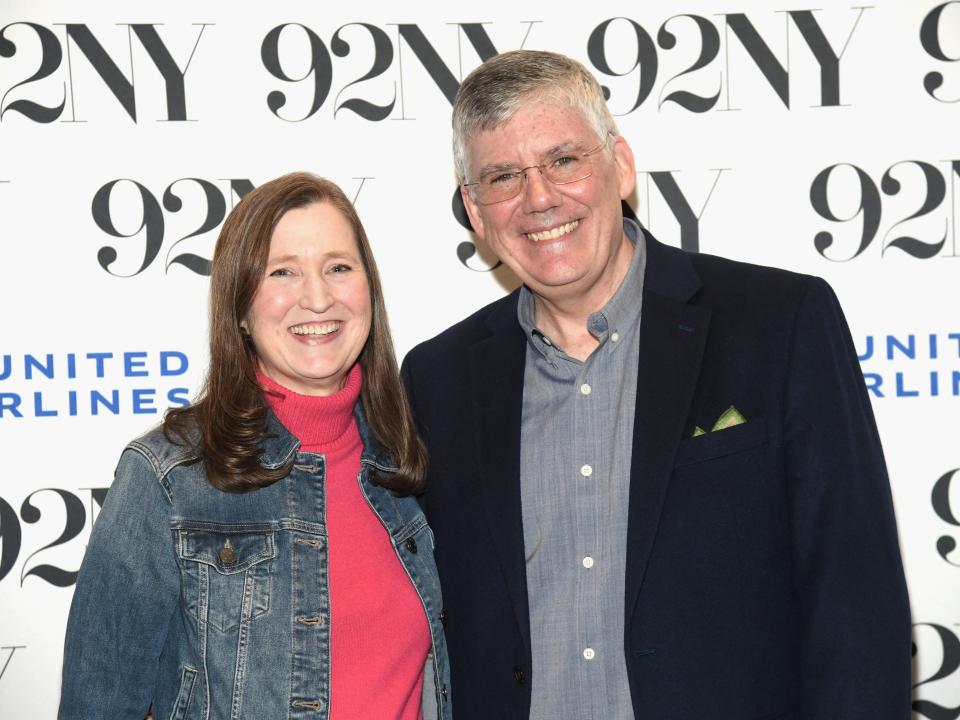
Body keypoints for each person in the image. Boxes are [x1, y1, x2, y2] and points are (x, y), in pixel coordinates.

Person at [401, 50, 911, 719]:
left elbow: (857, 600)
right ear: (475, 210)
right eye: (503, 177)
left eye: (563, 160)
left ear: (620, 165)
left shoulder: (779, 325)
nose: (540, 198)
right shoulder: (439, 379)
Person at [59, 172, 450, 719]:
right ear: (240, 309)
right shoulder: (170, 476)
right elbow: (96, 705)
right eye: (283, 272)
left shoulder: (406, 460)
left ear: (369, 290)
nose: (318, 298)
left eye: (338, 267)